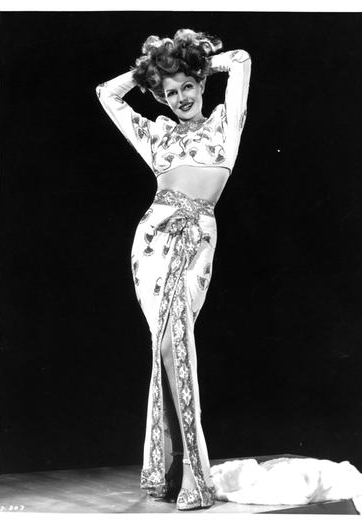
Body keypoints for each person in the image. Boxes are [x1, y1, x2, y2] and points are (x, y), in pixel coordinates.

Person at [95, 28, 251, 511]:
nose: (181, 98)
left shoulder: (225, 123)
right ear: (161, 97)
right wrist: (149, 70)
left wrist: (194, 61)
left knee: (173, 344)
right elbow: (107, 93)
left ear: (201, 84)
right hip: (152, 240)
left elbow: (241, 60)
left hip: (197, 238)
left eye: (188, 86)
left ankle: (192, 470)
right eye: (170, 92)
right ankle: (178, 468)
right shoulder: (156, 134)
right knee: (165, 345)